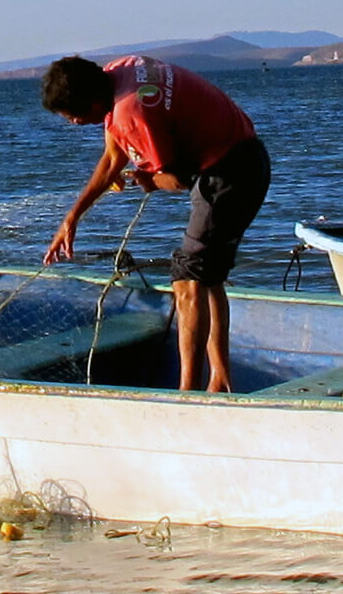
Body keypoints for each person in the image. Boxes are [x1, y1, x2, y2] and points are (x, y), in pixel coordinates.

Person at [41, 54, 270, 392]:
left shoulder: (131, 114)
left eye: (73, 115)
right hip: (244, 156)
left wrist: (149, 180)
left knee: (188, 279)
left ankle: (187, 392)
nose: (73, 122)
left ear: (92, 101)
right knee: (207, 275)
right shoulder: (121, 70)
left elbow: (178, 180)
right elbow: (113, 159)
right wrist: (72, 218)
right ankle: (220, 380)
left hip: (229, 174)